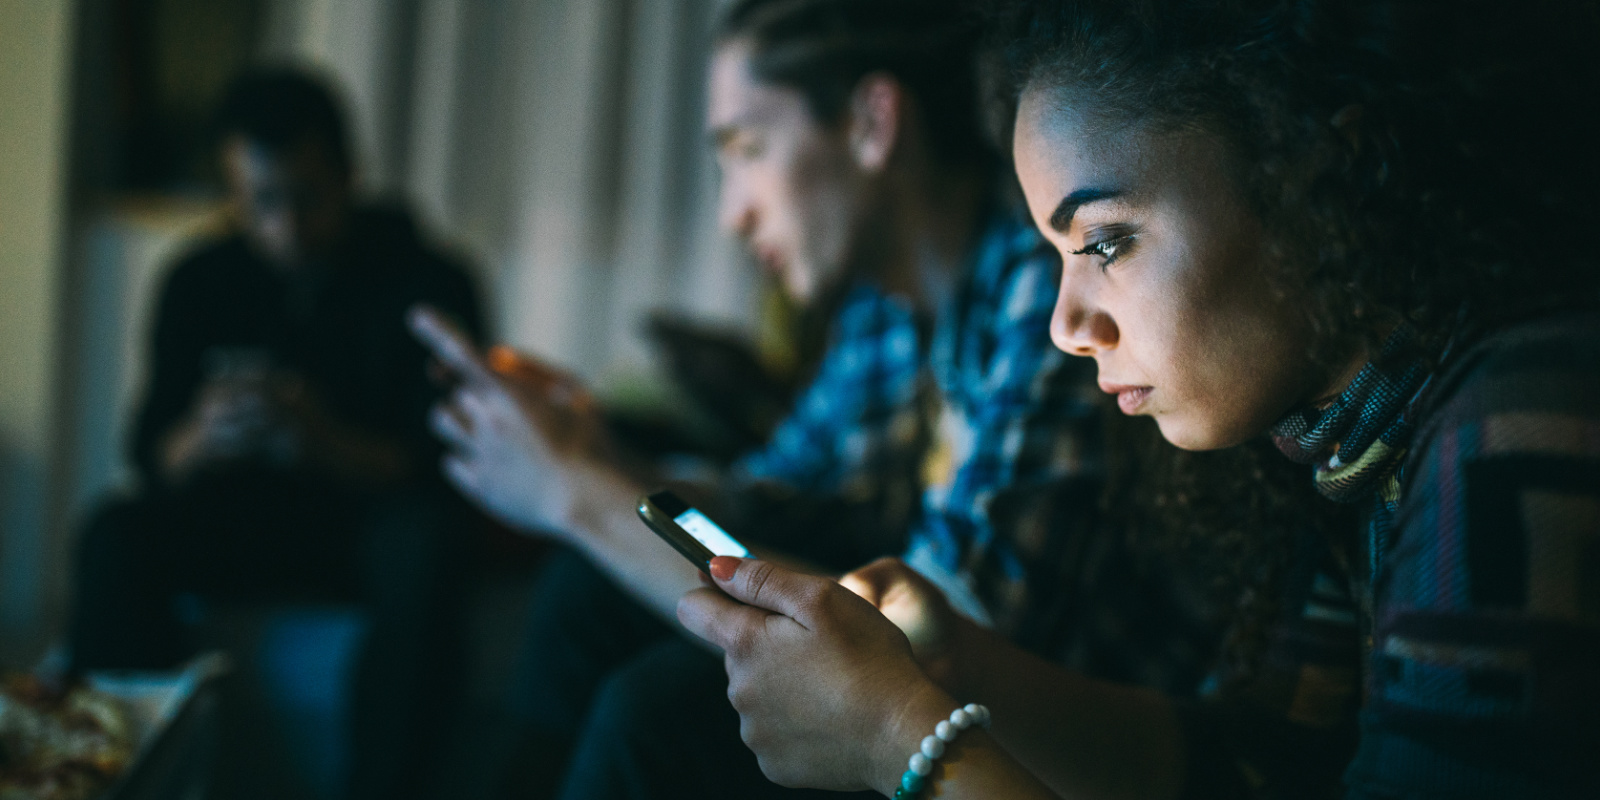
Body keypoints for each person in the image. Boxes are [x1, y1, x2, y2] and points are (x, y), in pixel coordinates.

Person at [677, 0, 1600, 798]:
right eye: (1057, 255)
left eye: (1108, 242)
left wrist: (905, 747)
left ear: (1322, 179)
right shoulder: (1341, 448)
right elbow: (1259, 769)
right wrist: (953, 658)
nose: (1065, 324)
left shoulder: (1517, 432)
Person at [407, 1, 1228, 797]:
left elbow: (938, 637)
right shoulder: (885, 312)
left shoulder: (1037, 286)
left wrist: (573, 496)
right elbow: (770, 499)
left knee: (663, 712)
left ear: (873, 123)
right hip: (950, 677)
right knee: (586, 601)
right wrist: (587, 447)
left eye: (748, 147)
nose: (733, 212)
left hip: (1051, 725)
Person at [68, 69, 486, 800]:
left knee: (424, 545)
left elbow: (453, 464)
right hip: (238, 520)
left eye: (309, 199)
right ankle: (125, 777)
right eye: (261, 203)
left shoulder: (429, 279)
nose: (286, 227)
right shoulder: (197, 279)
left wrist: (324, 439)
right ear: (230, 192)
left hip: (361, 528)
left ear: (350, 175)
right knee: (113, 534)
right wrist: (202, 432)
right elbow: (150, 456)